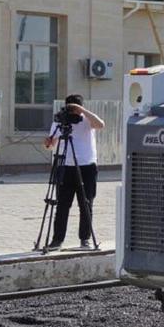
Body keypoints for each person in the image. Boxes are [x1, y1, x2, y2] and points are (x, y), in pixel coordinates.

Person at [43, 94, 105, 250]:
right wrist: (48, 143)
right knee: (62, 205)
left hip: (87, 167)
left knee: (86, 203)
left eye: (76, 109)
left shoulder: (87, 120)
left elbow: (101, 125)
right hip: (65, 166)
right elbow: (51, 145)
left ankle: (85, 239)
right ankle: (57, 240)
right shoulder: (60, 121)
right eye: (71, 109)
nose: (73, 113)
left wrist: (82, 111)